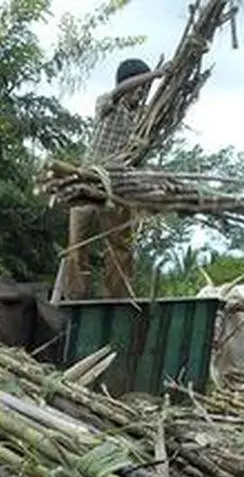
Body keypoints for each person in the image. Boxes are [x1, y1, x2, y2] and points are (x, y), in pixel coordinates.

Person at [64, 58, 168, 300]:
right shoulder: (107, 103)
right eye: (139, 87)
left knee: (120, 247)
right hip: (89, 182)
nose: (141, 93)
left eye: (145, 90)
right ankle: (76, 297)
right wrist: (156, 74)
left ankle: (117, 299)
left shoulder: (142, 119)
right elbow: (119, 91)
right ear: (129, 84)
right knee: (77, 245)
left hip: (118, 188)